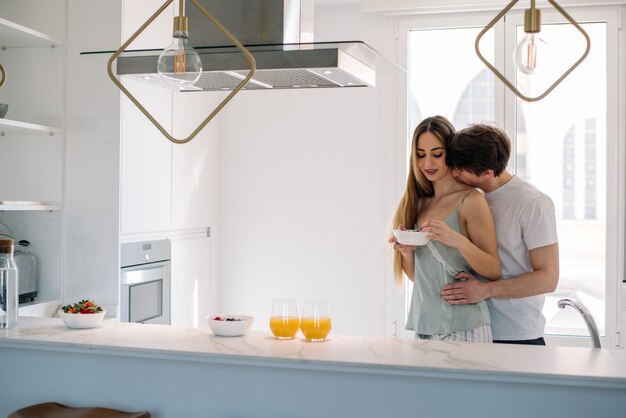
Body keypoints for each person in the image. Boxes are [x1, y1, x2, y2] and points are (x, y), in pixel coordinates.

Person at [442, 123, 559, 346]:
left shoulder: (532, 203)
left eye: (461, 170)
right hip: (468, 328)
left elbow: (548, 278)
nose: (454, 174)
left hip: (516, 335)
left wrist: (484, 290)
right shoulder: (467, 197)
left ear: (487, 173)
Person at [388, 116, 501, 343]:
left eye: (436, 154)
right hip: (425, 324)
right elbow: (420, 278)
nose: (428, 163)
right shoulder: (418, 204)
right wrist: (407, 253)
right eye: (421, 155)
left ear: (450, 152)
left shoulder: (470, 200)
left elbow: (493, 269)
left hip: (465, 324)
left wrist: (457, 240)